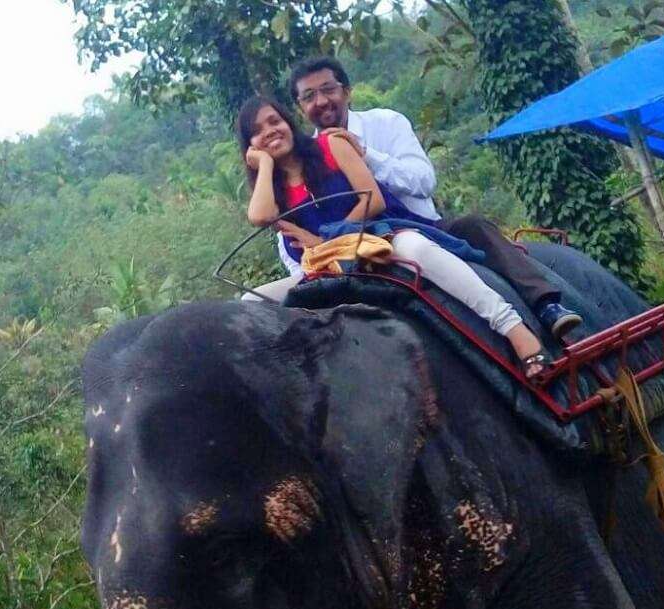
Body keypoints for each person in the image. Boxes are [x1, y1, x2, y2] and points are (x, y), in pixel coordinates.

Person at [238, 95, 550, 377]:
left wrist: (330, 240)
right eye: (258, 130)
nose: (270, 131)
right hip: (326, 266)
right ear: (251, 144)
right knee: (250, 300)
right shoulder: (272, 190)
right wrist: (265, 165)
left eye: (275, 121)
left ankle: (512, 327)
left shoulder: (331, 146)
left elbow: (373, 200)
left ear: (289, 123)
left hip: (378, 235)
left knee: (418, 250)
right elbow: (260, 216)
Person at [274, 56, 582, 341]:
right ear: (300, 107)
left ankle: (545, 304)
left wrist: (364, 154)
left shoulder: (385, 123)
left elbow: (423, 181)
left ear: (347, 91)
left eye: (328, 89)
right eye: (309, 96)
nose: (321, 101)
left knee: (473, 226)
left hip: (422, 226)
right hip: (357, 254)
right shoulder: (308, 158)